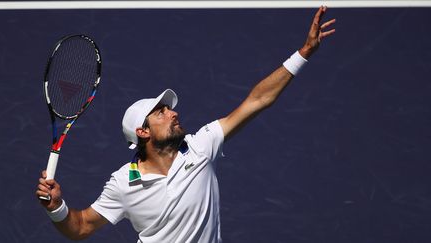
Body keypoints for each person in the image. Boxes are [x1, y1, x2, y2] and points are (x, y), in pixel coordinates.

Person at [36, 6, 335, 243]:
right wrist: (56, 208)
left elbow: (257, 100)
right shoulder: (123, 183)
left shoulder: (201, 146)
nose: (173, 114)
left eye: (170, 110)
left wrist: (303, 53)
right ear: (143, 132)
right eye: (161, 113)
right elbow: (82, 226)